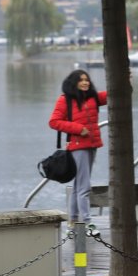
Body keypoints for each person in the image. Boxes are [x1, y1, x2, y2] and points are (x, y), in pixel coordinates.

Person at [48, 69, 106, 223]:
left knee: (78, 186)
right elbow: (54, 122)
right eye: (81, 80)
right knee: (84, 187)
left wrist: (126, 81)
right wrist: (79, 129)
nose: (85, 82)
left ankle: (73, 221)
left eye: (87, 80)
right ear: (73, 83)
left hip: (92, 145)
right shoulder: (65, 99)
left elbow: (115, 94)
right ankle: (87, 223)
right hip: (78, 146)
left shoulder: (93, 97)